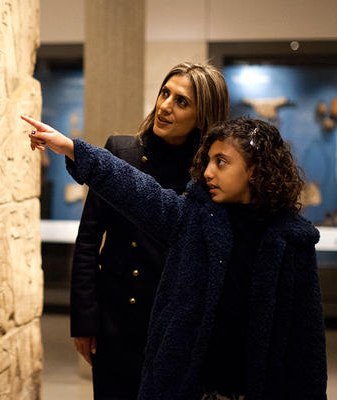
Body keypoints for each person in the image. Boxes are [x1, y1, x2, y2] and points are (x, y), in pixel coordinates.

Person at [23, 114, 327, 400]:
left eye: (222, 162)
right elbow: (137, 189)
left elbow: (307, 346)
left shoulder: (291, 241)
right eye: (208, 160)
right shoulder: (194, 219)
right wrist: (73, 149)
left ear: (256, 170)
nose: (208, 172)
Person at [70, 62, 228, 399]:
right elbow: (88, 241)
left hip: (174, 328)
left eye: (181, 101)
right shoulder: (122, 153)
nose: (165, 106)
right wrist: (84, 320)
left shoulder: (207, 176)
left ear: (203, 117)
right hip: (116, 321)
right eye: (164, 93)